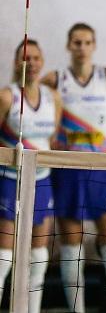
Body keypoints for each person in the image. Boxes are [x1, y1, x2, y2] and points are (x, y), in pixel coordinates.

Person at [41, 23, 106, 313]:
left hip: (100, 168)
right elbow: (35, 110)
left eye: (87, 42)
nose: (82, 47)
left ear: (94, 45)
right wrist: (49, 140)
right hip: (66, 168)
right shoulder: (54, 79)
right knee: (71, 246)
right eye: (77, 42)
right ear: (68, 45)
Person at [0, 39, 62, 312]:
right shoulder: (6, 96)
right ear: (17, 62)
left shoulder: (53, 97)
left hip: (42, 181)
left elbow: (52, 139)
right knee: (4, 257)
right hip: (10, 181)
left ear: (43, 61)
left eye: (36, 58)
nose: (32, 63)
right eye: (26, 58)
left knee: (38, 257)